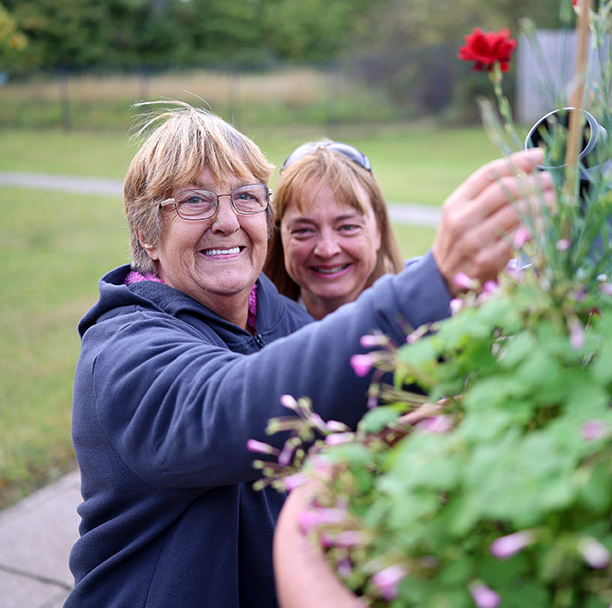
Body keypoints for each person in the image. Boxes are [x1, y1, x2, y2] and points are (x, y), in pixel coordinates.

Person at [65, 101, 552, 608]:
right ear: (146, 232)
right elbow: (231, 404)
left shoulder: (285, 321)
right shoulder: (124, 350)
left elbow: (366, 412)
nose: (228, 221)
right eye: (195, 201)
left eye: (247, 198)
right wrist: (430, 284)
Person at [263, 140, 404, 319]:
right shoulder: (247, 333)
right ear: (279, 234)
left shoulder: (422, 326)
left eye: (348, 227)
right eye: (304, 230)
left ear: (379, 230)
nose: (327, 250)